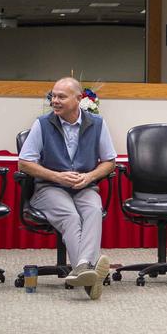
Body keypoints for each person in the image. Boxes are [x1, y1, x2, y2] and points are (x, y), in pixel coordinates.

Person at [17, 77, 118, 300]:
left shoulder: (97, 124)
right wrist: (57, 176)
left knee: (93, 210)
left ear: (79, 99)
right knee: (71, 216)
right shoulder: (42, 124)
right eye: (53, 96)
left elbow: (110, 161)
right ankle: (88, 273)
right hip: (49, 188)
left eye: (61, 96)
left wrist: (90, 176)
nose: (55, 100)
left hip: (84, 186)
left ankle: (82, 268)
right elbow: (24, 163)